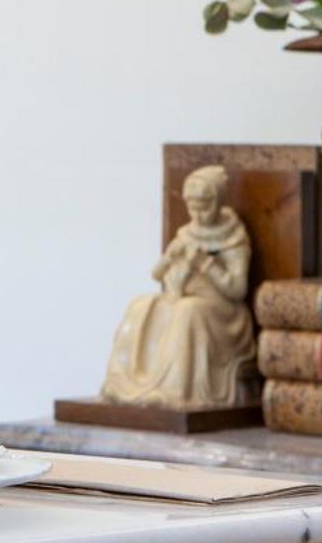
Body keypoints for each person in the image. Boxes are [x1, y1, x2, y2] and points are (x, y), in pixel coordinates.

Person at [100, 165, 256, 409]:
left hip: (221, 310)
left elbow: (237, 289)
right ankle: (124, 384)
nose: (198, 214)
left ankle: (175, 389)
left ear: (218, 202)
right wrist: (169, 258)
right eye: (192, 207)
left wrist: (205, 264)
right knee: (142, 305)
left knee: (188, 311)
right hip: (181, 295)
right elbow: (156, 274)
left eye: (204, 207)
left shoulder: (234, 237)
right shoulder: (186, 233)